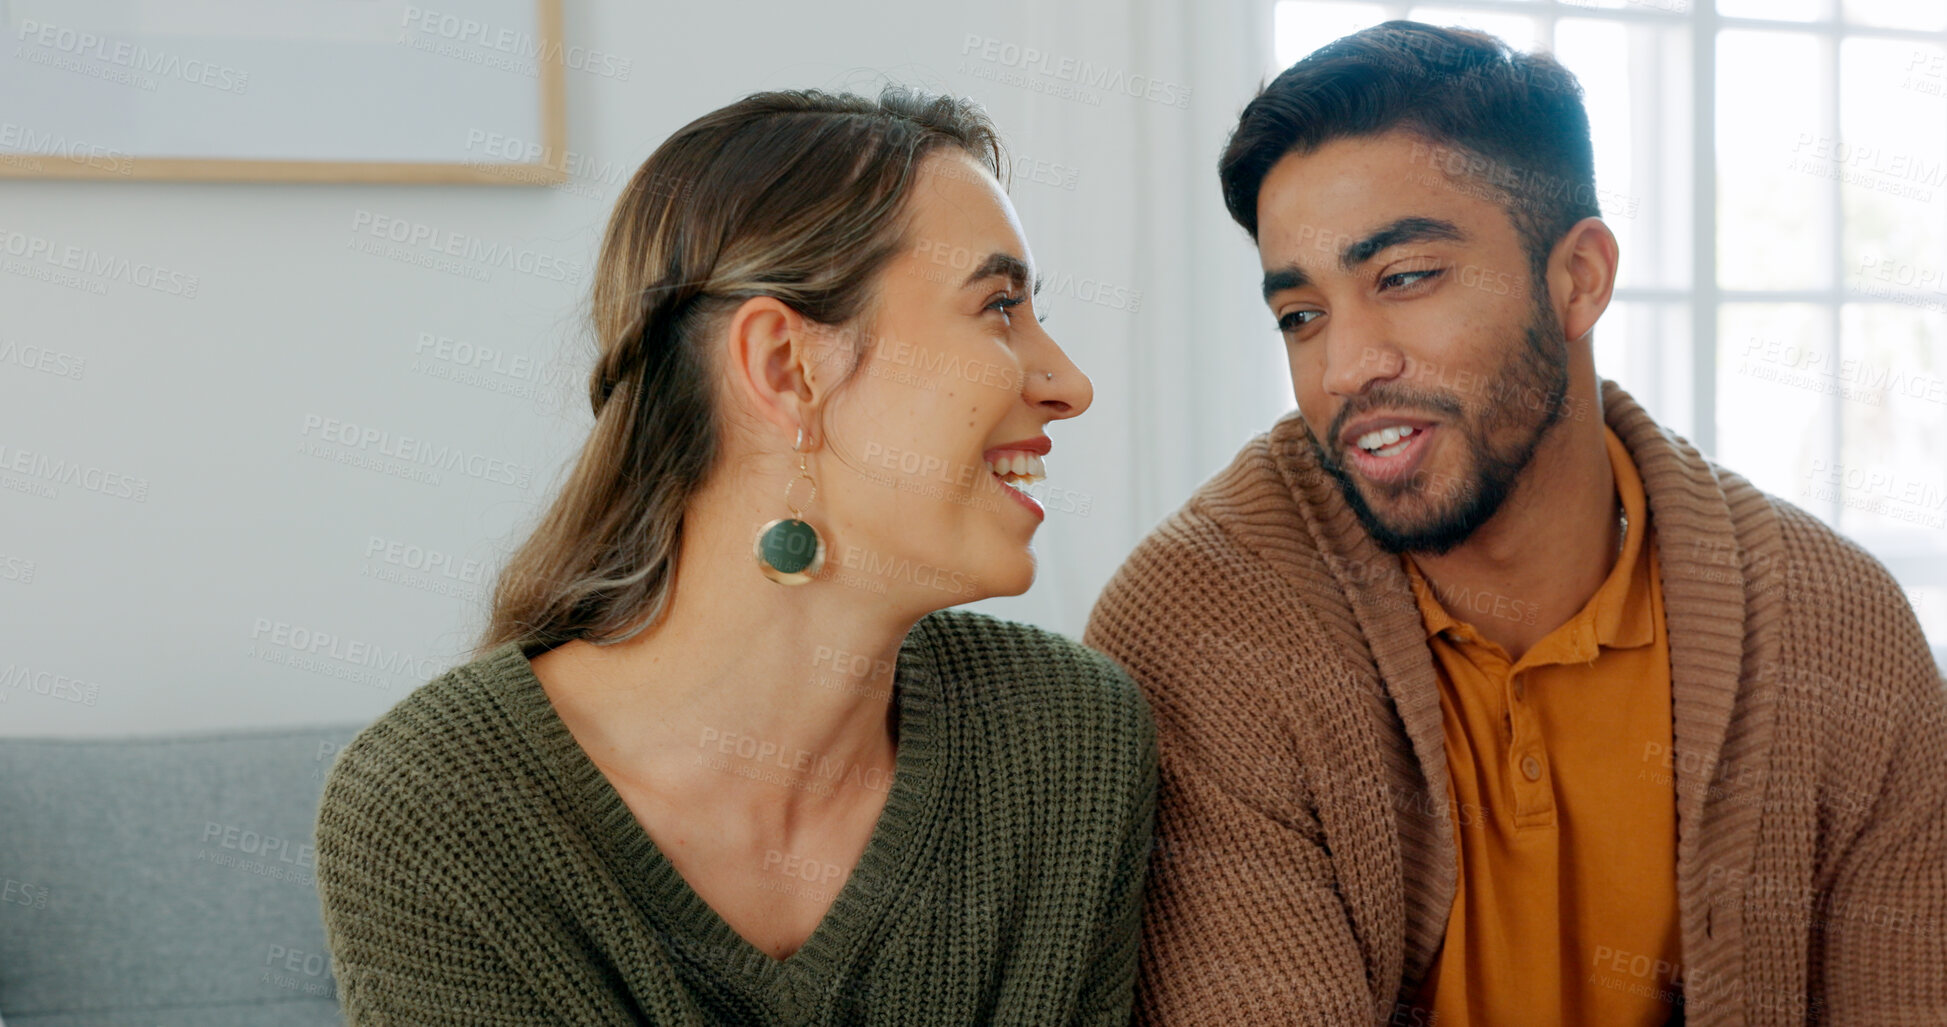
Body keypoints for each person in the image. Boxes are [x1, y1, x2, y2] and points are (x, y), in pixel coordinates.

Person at [1085, 20, 1947, 1027]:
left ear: (1578, 277)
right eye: (1301, 314)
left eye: (1404, 277)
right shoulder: (1202, 626)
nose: (1343, 366)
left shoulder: (1838, 633)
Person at [314, 85, 1156, 1025]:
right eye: (999, 306)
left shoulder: (1066, 741)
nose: (1068, 384)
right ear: (786, 369)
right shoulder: (440, 811)